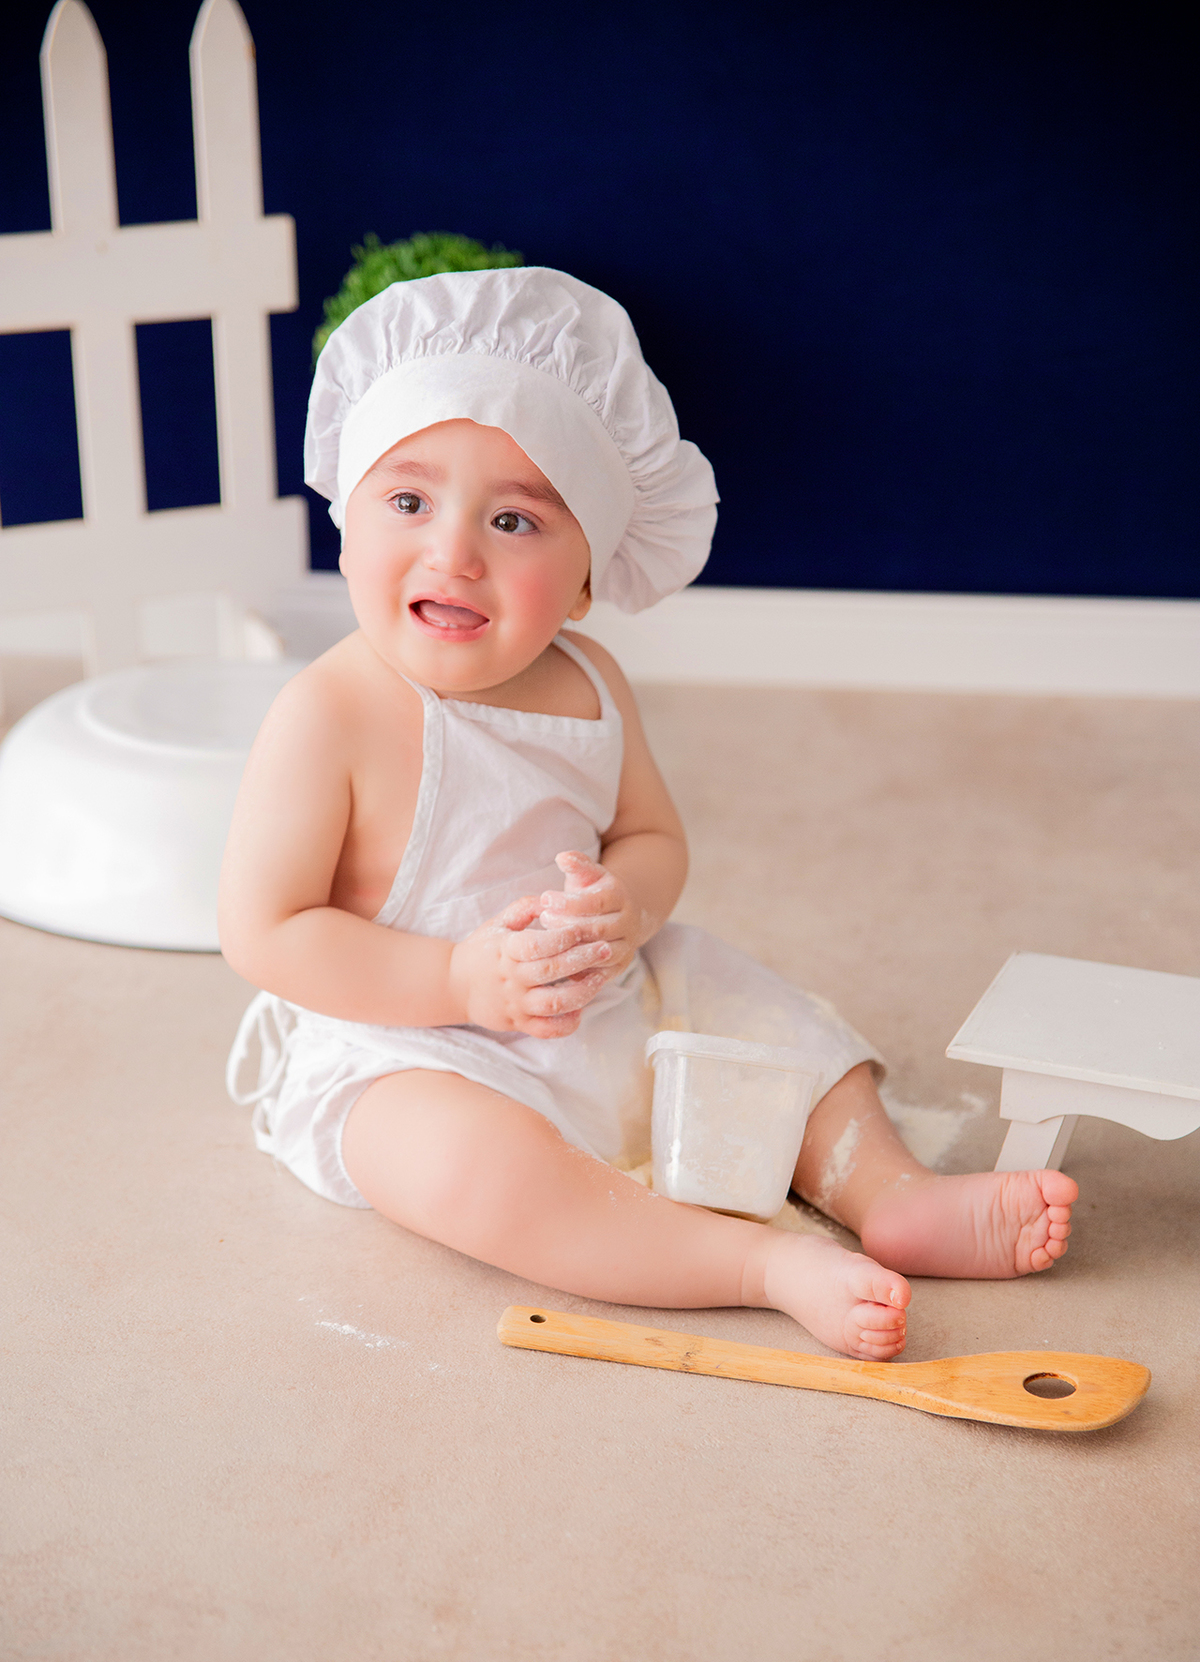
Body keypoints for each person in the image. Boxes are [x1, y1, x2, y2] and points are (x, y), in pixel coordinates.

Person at [222, 267, 1075, 1361]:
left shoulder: (589, 683)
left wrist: (626, 906)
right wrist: (456, 983)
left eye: (516, 518)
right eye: (407, 500)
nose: (454, 550)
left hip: (602, 993)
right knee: (458, 1169)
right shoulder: (328, 713)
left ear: (584, 580)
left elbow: (653, 837)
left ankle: (890, 1188)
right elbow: (267, 930)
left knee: (758, 1010)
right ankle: (753, 1263)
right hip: (413, 1041)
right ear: (344, 522)